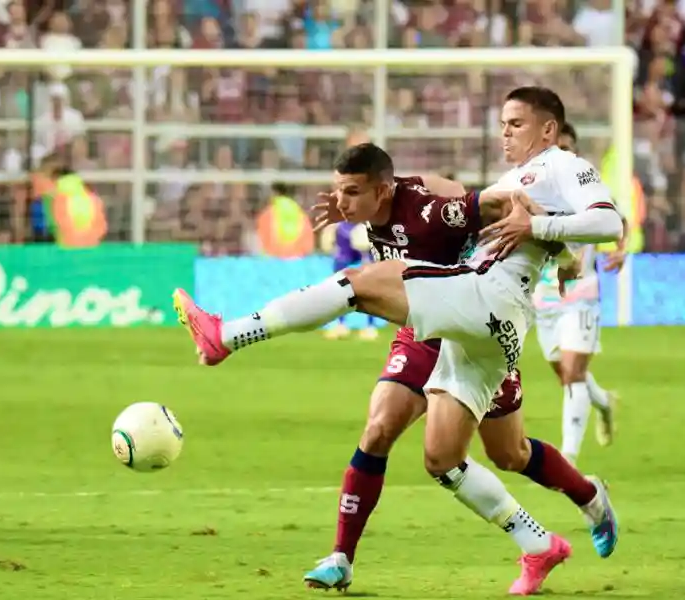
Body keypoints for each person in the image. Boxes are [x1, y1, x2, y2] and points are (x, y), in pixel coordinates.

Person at [174, 87, 623, 591]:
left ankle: (227, 335)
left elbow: (608, 220)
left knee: (360, 284)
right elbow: (533, 230)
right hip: (480, 326)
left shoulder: (564, 163)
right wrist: (563, 256)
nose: (504, 133)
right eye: (501, 123)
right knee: (444, 458)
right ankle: (541, 545)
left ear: (548, 129)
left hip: (484, 300)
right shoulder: (514, 180)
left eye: (515, 123)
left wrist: (545, 230)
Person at [298, 161, 609, 593]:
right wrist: (354, 207)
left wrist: (567, 257)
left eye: (352, 191)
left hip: (470, 330)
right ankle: (341, 557)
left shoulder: (436, 203)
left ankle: (589, 497)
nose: (342, 201)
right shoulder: (373, 218)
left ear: (384, 188)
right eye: (342, 191)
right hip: (422, 337)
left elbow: (505, 208)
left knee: (510, 453)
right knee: (378, 430)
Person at [534, 122, 621, 464]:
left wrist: (621, 248)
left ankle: (567, 458)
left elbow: (618, 219)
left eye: (567, 148)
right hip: (543, 297)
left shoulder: (588, 186)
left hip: (581, 292)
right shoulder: (533, 187)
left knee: (572, 373)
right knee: (568, 375)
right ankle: (604, 403)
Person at [323, 221, 379, 340]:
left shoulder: (363, 225)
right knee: (340, 291)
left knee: (367, 293)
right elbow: (340, 254)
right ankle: (341, 325)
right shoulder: (341, 227)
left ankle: (370, 327)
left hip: (364, 261)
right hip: (345, 263)